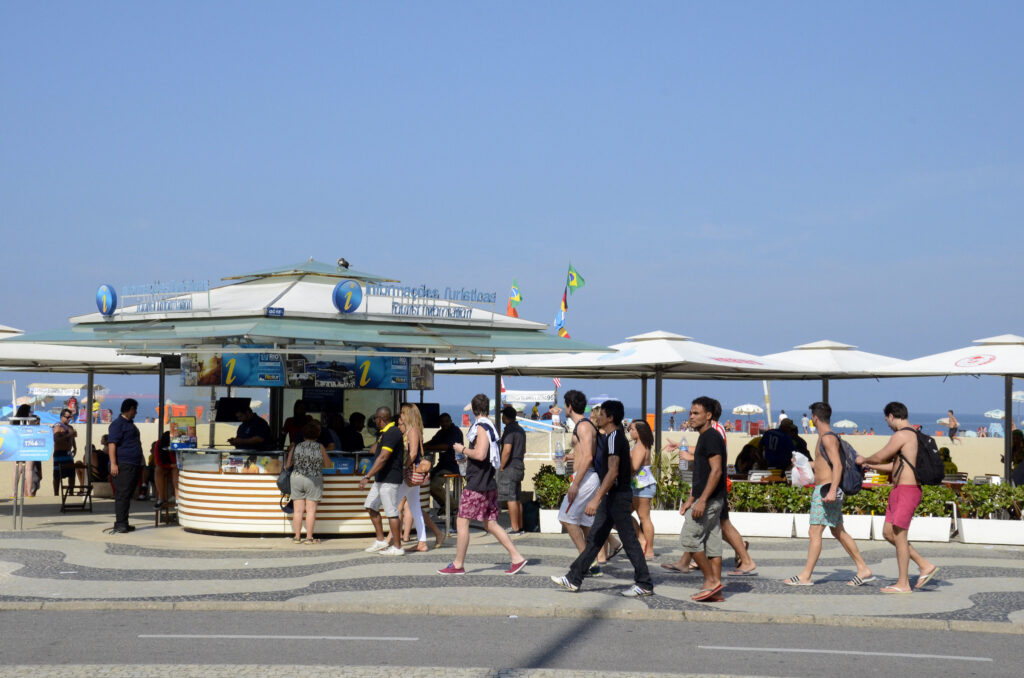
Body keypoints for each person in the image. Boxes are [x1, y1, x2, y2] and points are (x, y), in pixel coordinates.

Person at [551, 400, 653, 596]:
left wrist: (596, 498)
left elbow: (613, 471)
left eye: (602, 414)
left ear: (610, 418)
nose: (598, 417)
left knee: (629, 540)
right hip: (611, 496)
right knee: (596, 538)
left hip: (617, 496)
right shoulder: (612, 437)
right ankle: (574, 578)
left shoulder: (615, 438)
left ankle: (644, 583)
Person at [785, 402, 874, 587]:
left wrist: (833, 490)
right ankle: (863, 568)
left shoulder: (827, 438)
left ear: (815, 418)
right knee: (837, 530)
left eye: (811, 416)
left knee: (814, 531)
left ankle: (806, 576)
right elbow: (823, 465)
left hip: (826, 491)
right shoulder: (825, 437)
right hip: (826, 488)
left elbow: (838, 465)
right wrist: (803, 464)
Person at [438, 393, 527, 575]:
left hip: (478, 483)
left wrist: (461, 449)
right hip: (488, 482)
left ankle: (458, 564)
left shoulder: (481, 427)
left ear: (473, 409)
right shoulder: (490, 425)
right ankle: (517, 558)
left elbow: (480, 454)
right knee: (490, 524)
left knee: (462, 522)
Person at [856, 402, 939, 594]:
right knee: (888, 532)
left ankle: (903, 583)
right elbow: (895, 466)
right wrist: (871, 466)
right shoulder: (911, 436)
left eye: (887, 419)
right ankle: (924, 565)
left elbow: (881, 456)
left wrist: (865, 459)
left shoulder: (903, 434)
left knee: (900, 537)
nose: (887, 423)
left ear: (892, 416)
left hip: (907, 490)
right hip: (899, 489)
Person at [677, 397, 728, 601]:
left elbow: (716, 471)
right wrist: (692, 498)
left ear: (708, 416)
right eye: (690, 412)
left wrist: (702, 500)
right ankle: (716, 593)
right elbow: (702, 472)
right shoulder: (704, 436)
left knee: (689, 539)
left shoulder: (712, 437)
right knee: (713, 545)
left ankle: (711, 581)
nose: (691, 416)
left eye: (696, 413)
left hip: (710, 500)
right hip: (706, 498)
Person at [555, 390, 606, 575]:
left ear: (569, 406)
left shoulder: (583, 426)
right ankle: (591, 562)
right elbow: (583, 452)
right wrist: (570, 456)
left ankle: (586, 561)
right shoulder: (585, 425)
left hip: (585, 476)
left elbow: (588, 457)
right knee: (584, 521)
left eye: (564, 405)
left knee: (566, 518)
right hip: (587, 475)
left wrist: (576, 483)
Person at [359, 407, 406, 555]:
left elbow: (384, 457)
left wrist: (367, 476)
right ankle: (381, 541)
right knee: (371, 506)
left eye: (375, 419)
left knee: (391, 512)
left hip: (390, 479)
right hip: (381, 479)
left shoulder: (392, 432)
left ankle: (397, 547)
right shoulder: (385, 433)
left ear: (380, 418)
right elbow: (376, 450)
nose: (375, 423)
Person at [398, 403, 444, 551]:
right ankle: (422, 541)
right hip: (416, 473)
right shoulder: (417, 430)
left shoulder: (412, 430)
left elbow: (412, 453)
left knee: (394, 503)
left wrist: (403, 466)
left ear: (408, 415)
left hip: (410, 473)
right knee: (415, 506)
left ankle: (393, 540)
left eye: (402, 413)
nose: (401, 416)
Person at [285, 420, 331, 544]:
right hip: (314, 479)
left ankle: (297, 537)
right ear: (318, 434)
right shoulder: (320, 446)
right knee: (311, 511)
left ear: (303, 433)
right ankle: (309, 538)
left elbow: (287, 465)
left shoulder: (296, 446)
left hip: (296, 478)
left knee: (298, 510)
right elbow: (328, 464)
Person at [107, 399, 144, 534]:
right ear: (129, 409)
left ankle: (124, 521)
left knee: (127, 494)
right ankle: (120, 523)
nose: (136, 412)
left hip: (134, 463)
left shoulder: (130, 424)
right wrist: (114, 463)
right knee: (122, 494)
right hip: (123, 464)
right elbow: (112, 444)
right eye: (135, 409)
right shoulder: (118, 424)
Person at [424, 412, 463, 514]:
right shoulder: (441, 433)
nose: (444, 424)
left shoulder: (455, 432)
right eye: (442, 422)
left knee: (433, 485)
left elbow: (445, 446)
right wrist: (421, 446)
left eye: (446, 421)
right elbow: (432, 442)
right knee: (424, 483)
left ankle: (454, 507)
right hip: (442, 465)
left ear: (450, 421)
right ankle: (446, 506)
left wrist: (426, 447)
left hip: (453, 465)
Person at [628, 420, 657, 559]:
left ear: (639, 431)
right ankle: (642, 539)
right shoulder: (640, 445)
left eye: (632, 429)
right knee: (623, 514)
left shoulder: (640, 446)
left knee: (644, 517)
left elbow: (634, 467)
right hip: (637, 486)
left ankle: (649, 548)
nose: (630, 431)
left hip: (642, 486)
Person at [498, 405, 527, 535]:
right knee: (517, 497)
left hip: (510, 466)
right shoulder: (521, 430)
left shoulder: (509, 430)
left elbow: (507, 450)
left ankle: (515, 528)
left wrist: (501, 466)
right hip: (519, 464)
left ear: (505, 416)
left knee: (510, 498)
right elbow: (524, 450)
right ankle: (520, 526)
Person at [52, 408, 78, 496]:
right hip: (59, 452)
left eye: (70, 417)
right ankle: (56, 493)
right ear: (62, 417)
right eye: (67, 417)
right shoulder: (57, 426)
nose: (69, 419)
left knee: (72, 473)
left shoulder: (70, 427)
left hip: (68, 452)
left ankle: (71, 492)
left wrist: (75, 447)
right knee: (57, 475)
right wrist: (68, 435)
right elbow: (56, 439)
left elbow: (72, 438)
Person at [153, 431, 178, 508]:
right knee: (158, 470)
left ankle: (177, 499)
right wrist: (170, 465)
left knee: (176, 471)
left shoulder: (177, 443)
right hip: (167, 465)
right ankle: (161, 498)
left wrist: (173, 464)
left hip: (175, 465)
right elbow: (158, 461)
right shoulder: (159, 444)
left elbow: (177, 461)